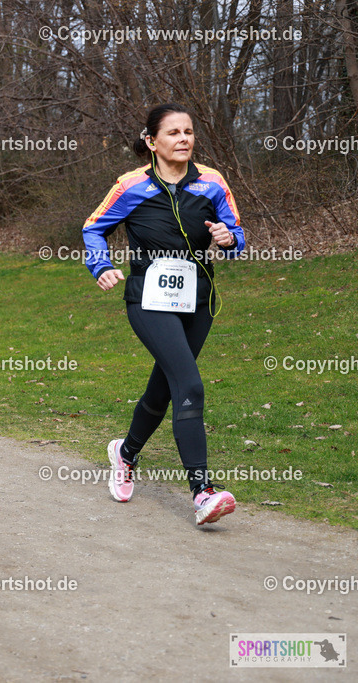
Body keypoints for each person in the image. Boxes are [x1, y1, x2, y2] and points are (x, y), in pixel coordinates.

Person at [82, 103, 244, 526]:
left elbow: (237, 234)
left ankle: (126, 453)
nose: (184, 139)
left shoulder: (212, 182)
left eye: (188, 131)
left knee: (166, 387)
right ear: (152, 142)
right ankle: (203, 492)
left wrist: (228, 238)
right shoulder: (131, 185)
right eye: (173, 133)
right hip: (147, 299)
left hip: (198, 299)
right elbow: (94, 226)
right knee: (189, 383)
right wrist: (100, 264)